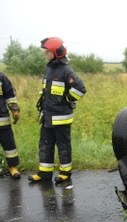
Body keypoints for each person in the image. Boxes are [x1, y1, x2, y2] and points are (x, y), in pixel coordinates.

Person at [28, 37, 86, 184]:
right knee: (45, 144)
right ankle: (44, 174)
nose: (45, 54)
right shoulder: (49, 68)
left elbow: (80, 89)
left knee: (63, 145)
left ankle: (65, 173)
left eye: (47, 52)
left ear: (55, 52)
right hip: (47, 116)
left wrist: (66, 99)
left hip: (61, 117)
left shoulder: (66, 70)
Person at [0, 72, 21, 179]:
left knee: (9, 146)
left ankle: (13, 167)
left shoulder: (1, 77)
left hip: (2, 120)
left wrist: (15, 110)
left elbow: (10, 96)